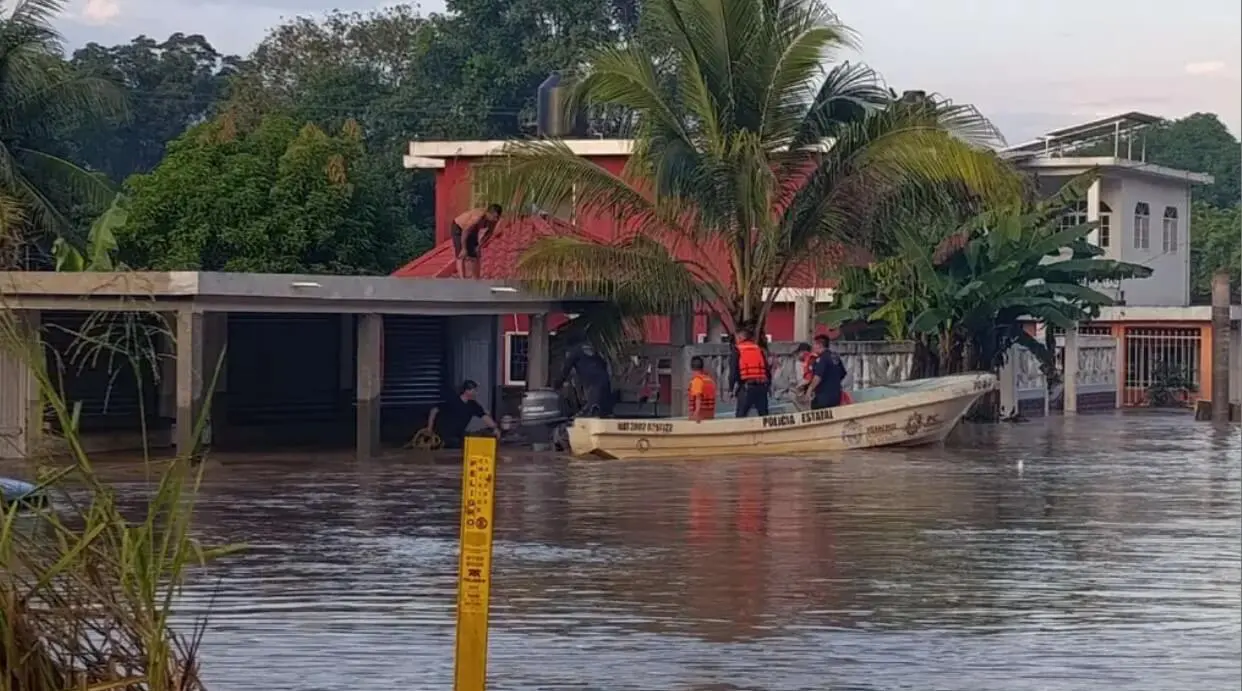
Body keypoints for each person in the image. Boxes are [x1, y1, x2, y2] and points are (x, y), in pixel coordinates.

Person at [424, 380, 498, 449]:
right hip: (443, 435)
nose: (476, 393)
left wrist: (495, 428)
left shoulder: (473, 405)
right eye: (474, 391)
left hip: (458, 435)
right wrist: (429, 428)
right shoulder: (452, 400)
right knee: (458, 444)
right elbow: (434, 410)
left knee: (472, 441)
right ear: (467, 391)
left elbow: (485, 417)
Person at [554, 339, 614, 417]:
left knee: (593, 409)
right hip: (605, 381)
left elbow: (565, 370)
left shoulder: (574, 352)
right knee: (603, 409)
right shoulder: (591, 350)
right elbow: (603, 364)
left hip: (593, 383)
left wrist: (556, 385)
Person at [451, 204, 503, 279]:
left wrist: (479, 246)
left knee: (475, 254)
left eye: (497, 217)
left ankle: (476, 279)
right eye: (494, 217)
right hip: (459, 227)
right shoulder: (478, 217)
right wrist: (464, 248)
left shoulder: (493, 221)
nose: (496, 219)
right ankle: (462, 280)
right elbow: (465, 231)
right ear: (489, 214)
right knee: (461, 254)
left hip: (472, 230)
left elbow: (488, 234)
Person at [730, 326, 770, 417]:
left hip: (746, 388)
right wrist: (768, 386)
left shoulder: (737, 350)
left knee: (741, 416)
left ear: (740, 337)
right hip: (761, 387)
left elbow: (733, 371)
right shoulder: (758, 349)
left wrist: (731, 389)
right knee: (764, 417)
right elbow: (767, 370)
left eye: (736, 337)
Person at [806, 334, 847, 410]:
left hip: (823, 398)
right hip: (836, 397)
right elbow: (843, 373)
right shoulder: (835, 357)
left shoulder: (822, 359)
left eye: (814, 344)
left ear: (820, 345)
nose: (813, 347)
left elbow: (818, 377)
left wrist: (809, 390)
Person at [687, 356, 717, 422]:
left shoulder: (697, 380)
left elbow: (698, 397)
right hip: (710, 417)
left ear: (691, 367)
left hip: (699, 418)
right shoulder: (710, 380)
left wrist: (696, 413)